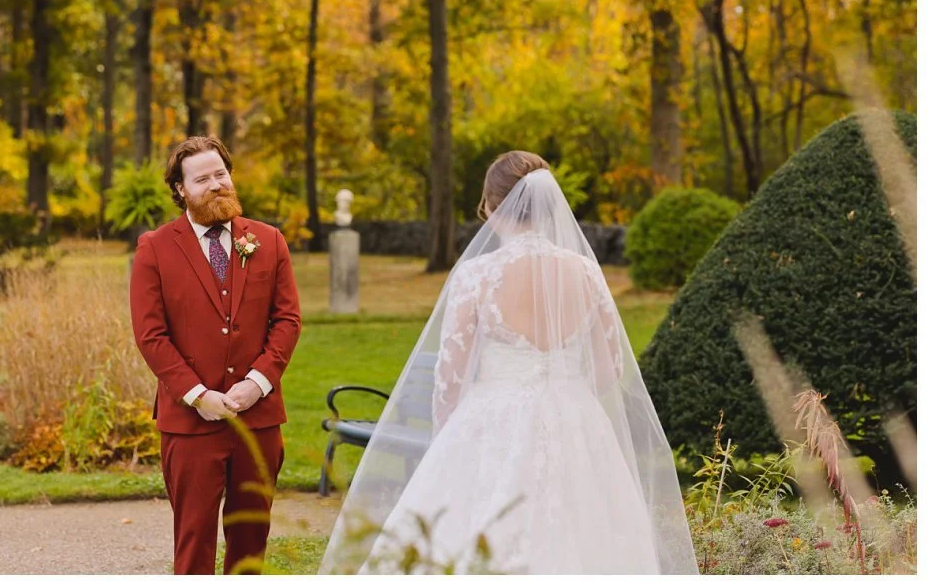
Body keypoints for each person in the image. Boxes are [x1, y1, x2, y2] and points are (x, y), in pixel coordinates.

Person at [320, 151, 697, 575]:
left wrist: (447, 441)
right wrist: (569, 394)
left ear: (494, 205)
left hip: (492, 416)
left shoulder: (477, 276)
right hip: (576, 418)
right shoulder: (586, 273)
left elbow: (450, 377)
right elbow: (611, 367)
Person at [129, 136, 301, 575]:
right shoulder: (154, 248)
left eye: (220, 174)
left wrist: (256, 384)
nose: (215, 185)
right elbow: (150, 335)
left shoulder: (268, 240)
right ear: (181, 189)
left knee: (251, 542)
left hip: (258, 420)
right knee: (194, 541)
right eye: (201, 179)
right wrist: (198, 395)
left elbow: (287, 321)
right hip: (189, 424)